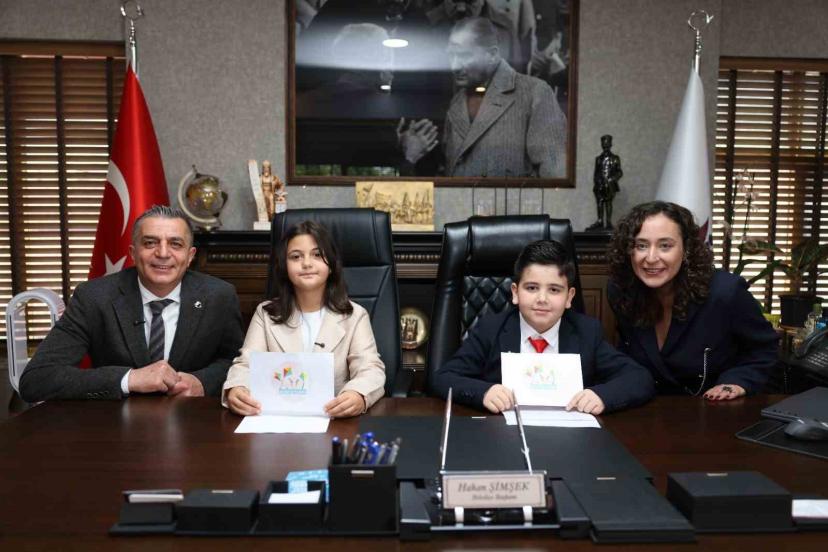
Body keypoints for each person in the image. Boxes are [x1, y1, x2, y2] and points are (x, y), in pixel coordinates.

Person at [19, 205, 244, 402]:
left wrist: (202, 382)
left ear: (190, 255)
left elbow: (237, 363)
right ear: (133, 253)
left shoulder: (219, 296)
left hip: (193, 424)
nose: (163, 253)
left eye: (175, 244)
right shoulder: (94, 297)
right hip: (115, 426)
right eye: (150, 243)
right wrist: (128, 379)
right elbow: (37, 379)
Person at [430, 240, 655, 414]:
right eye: (532, 288)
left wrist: (602, 396)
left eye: (554, 290)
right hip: (502, 434)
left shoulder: (587, 332)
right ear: (515, 293)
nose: (542, 299)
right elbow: (442, 378)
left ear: (569, 297)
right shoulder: (491, 329)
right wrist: (484, 392)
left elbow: (640, 378)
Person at [607, 201, 779, 400]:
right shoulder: (621, 291)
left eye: (665, 246)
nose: (651, 257)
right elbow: (628, 356)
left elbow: (765, 349)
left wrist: (738, 382)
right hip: (646, 406)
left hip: (714, 408)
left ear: (686, 249)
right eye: (641, 245)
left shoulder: (725, 292)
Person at [223, 221, 386, 417]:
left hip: (334, 419)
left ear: (331, 265)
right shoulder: (265, 314)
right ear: (285, 266)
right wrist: (237, 388)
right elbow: (246, 365)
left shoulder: (355, 316)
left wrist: (357, 394)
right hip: (277, 418)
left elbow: (370, 369)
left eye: (317, 255)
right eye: (296, 256)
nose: (307, 263)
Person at [401, 16, 567, 178]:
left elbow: (555, 175)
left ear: (492, 55)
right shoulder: (457, 103)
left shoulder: (534, 94)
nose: (454, 66)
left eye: (464, 56)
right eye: (451, 55)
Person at [586, 135, 622, 231]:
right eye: (603, 143)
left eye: (607, 143)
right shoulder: (598, 158)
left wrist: (611, 179)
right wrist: (596, 183)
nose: (605, 145)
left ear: (610, 144)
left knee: (608, 202)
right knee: (599, 202)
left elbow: (619, 172)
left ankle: (609, 222)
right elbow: (596, 173)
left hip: (610, 185)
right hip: (599, 185)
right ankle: (600, 221)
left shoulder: (615, 158)